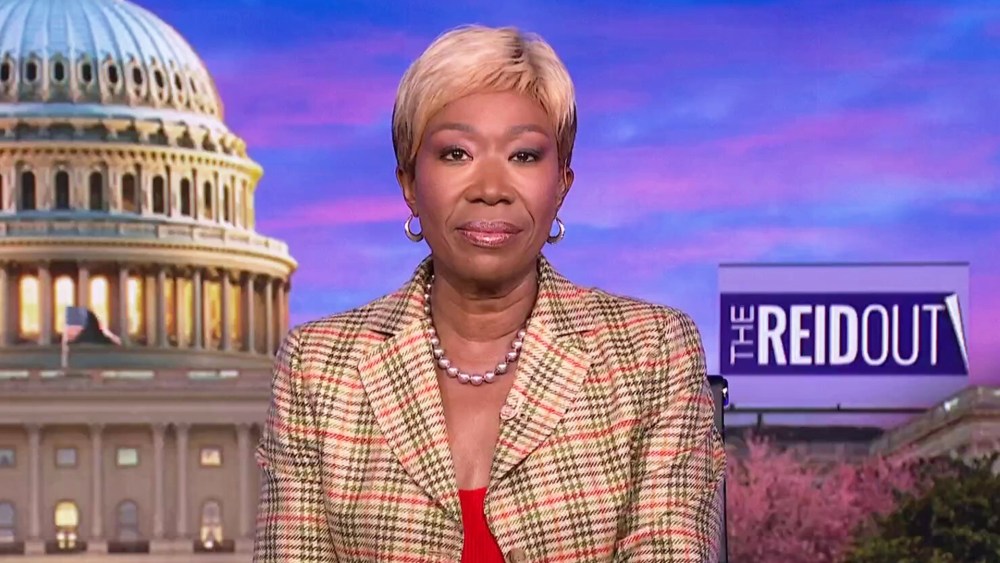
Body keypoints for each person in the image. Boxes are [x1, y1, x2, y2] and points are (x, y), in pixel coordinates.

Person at [254, 24, 726, 562]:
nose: (491, 189)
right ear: (409, 183)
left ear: (561, 184)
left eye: (523, 156)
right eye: (457, 153)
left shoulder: (652, 353)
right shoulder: (317, 368)